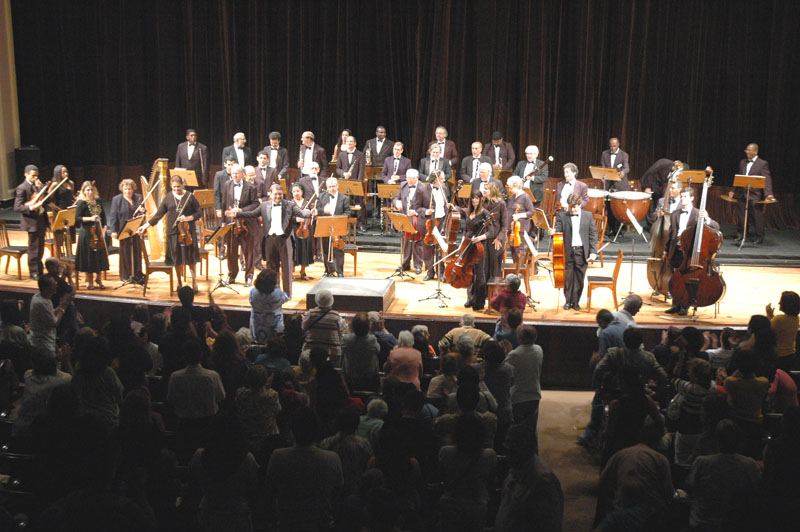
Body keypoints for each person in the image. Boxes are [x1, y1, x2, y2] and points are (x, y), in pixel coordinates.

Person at [265, 407, 343, 532]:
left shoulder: (278, 456)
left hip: (288, 524)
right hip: (321, 524)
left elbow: (270, 490)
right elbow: (337, 494)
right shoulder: (332, 458)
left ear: (292, 430)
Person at [685, 419, 761, 530]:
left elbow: (689, 486)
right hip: (737, 525)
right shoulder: (750, 465)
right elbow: (757, 490)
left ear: (716, 441)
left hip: (703, 523)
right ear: (739, 441)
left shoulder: (702, 462)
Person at [235, 182, 309, 294]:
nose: (278, 196)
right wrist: (236, 214)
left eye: (280, 194)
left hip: (285, 240)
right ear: (270, 194)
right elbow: (252, 214)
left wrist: (310, 212)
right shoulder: (264, 205)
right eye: (275, 194)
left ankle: (287, 294)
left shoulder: (290, 205)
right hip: (270, 240)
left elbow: (303, 213)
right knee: (271, 268)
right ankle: (274, 292)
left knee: (287, 269)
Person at [190, 414, 259, 532]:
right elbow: (253, 489)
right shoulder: (247, 459)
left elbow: (193, 483)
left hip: (207, 516)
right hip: (238, 517)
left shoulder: (198, 456)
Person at [494, 423, 564, 532]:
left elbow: (549, 525)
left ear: (527, 446)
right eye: (506, 442)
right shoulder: (515, 469)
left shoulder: (543, 483)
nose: (506, 447)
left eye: (512, 443)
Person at [137, 175, 202, 291]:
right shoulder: (168, 198)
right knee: (177, 259)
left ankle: (194, 282)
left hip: (188, 233)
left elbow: (199, 213)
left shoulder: (190, 197)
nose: (176, 189)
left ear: (183, 185)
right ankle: (179, 282)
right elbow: (158, 215)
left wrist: (188, 218)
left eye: (178, 187)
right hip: (173, 233)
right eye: (174, 187)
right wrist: (145, 225)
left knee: (190, 258)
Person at [664, 186, 721, 315]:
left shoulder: (698, 213)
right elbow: (671, 234)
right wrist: (666, 250)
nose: (682, 199)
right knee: (676, 278)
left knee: (686, 278)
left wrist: (707, 219)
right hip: (676, 250)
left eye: (685, 197)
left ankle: (685, 305)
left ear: (692, 199)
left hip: (690, 252)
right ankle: (675, 305)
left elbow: (715, 227)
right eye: (682, 196)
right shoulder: (675, 214)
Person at [438, 413, 497, 532]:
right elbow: (491, 482)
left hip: (451, 504)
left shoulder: (445, 452)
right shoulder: (489, 455)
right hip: (477, 506)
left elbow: (441, 477)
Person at [167, 337, 226, 435]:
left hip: (184, 425)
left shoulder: (175, 377)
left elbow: (171, 400)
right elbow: (221, 397)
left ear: (184, 356)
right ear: (201, 355)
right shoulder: (212, 376)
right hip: (208, 424)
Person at [550, 192, 597, 310]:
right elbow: (558, 231)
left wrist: (593, 252)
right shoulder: (562, 215)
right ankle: (567, 300)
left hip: (582, 251)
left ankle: (575, 302)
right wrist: (553, 232)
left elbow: (592, 235)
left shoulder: (588, 216)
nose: (573, 210)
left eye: (575, 207)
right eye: (570, 207)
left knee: (579, 278)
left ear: (580, 204)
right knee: (568, 277)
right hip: (567, 251)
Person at [219, 164, 261, 286]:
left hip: (246, 224)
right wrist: (223, 218)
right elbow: (224, 202)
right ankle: (232, 275)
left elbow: (255, 204)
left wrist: (241, 211)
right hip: (231, 223)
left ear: (243, 174)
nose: (235, 176)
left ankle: (249, 276)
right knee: (231, 251)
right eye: (232, 173)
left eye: (237, 173)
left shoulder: (251, 187)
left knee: (248, 251)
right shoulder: (227, 185)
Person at [504, 325, 543, 450]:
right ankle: (533, 456)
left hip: (519, 397)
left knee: (516, 430)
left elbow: (504, 369)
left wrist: (508, 352)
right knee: (531, 429)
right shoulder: (538, 349)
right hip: (534, 394)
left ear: (519, 338)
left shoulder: (514, 354)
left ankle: (516, 457)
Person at [319, 408, 374, 496]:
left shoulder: (327, 443)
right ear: (356, 424)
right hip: (356, 488)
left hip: (332, 489)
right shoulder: (363, 443)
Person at [460, 190, 498, 311]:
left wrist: (479, 238)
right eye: (473, 198)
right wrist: (463, 240)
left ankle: (480, 301)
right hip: (468, 244)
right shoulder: (469, 212)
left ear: (481, 199)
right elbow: (466, 228)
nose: (474, 200)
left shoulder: (485, 213)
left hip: (479, 246)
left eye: (477, 198)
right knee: (469, 272)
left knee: (479, 274)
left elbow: (492, 232)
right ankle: (470, 298)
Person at [729, 143, 773, 244]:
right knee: (741, 216)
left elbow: (767, 179)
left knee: (757, 216)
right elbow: (739, 177)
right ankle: (741, 234)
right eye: (746, 150)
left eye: (749, 150)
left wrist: (768, 193)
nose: (747, 152)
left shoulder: (762, 163)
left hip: (755, 195)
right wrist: (733, 190)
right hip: (742, 193)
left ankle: (759, 237)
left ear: (755, 151)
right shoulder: (742, 162)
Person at [235, 364, 281, 459]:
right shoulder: (272, 395)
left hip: (247, 433)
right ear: (265, 379)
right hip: (267, 435)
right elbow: (278, 410)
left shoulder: (240, 394)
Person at [13, 165, 49, 280]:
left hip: (41, 220)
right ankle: (33, 272)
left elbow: (46, 200)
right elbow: (17, 207)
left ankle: (39, 269)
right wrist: (32, 208)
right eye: (33, 176)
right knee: (34, 248)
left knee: (41, 248)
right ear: (26, 174)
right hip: (31, 222)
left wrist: (42, 188)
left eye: (37, 176)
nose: (35, 178)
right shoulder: (22, 188)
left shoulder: (37, 186)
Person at [74, 181, 110, 289]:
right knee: (89, 257)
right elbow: (77, 219)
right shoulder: (81, 203)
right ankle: (89, 281)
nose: (90, 192)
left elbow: (103, 216)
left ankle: (98, 279)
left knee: (99, 256)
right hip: (87, 233)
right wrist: (90, 218)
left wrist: (104, 229)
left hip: (98, 231)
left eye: (91, 190)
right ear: (83, 191)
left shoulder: (98, 201)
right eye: (87, 190)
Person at [395, 169, 430, 275]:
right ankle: (405, 263)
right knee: (405, 241)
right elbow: (396, 197)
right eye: (408, 178)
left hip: (418, 218)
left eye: (412, 178)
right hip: (406, 218)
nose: (409, 181)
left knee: (417, 242)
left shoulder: (424, 188)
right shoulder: (403, 185)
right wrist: (397, 202)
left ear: (417, 178)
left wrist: (415, 212)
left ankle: (418, 265)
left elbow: (427, 207)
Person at [108, 179, 143, 283]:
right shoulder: (117, 199)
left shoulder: (138, 198)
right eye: (125, 189)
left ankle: (137, 274)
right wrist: (113, 231)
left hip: (136, 230)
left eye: (130, 189)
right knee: (125, 252)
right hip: (123, 230)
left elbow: (142, 213)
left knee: (136, 251)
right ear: (122, 189)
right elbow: (113, 216)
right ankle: (126, 275)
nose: (128, 191)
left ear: (133, 189)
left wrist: (143, 211)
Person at [316, 177, 351, 277]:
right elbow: (318, 211)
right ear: (327, 187)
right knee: (326, 250)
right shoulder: (321, 197)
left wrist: (338, 219)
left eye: (334, 186)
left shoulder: (344, 198)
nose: (332, 188)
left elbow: (348, 213)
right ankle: (328, 270)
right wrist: (324, 211)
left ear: (338, 186)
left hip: (339, 228)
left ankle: (340, 272)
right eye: (330, 186)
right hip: (326, 227)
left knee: (339, 251)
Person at [30, 274, 72, 356]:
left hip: (44, 341)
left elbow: (49, 313)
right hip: (43, 344)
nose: (56, 285)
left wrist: (60, 306)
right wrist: (63, 308)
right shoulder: (42, 303)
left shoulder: (39, 297)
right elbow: (54, 323)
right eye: (53, 284)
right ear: (46, 288)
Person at [302, 289, 346, 363]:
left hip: (311, 350)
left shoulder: (311, 313)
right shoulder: (336, 315)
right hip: (333, 352)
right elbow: (340, 331)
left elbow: (303, 327)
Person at [341, 312, 381, 392]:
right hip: (369, 377)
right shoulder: (372, 339)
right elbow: (378, 350)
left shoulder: (346, 339)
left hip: (350, 376)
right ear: (368, 327)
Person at [336, 135, 368, 230]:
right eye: (347, 141)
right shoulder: (341, 154)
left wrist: (358, 184)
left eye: (351, 141)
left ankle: (361, 223)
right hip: (344, 182)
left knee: (359, 203)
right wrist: (343, 173)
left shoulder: (360, 155)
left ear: (355, 143)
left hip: (356, 182)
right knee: (343, 203)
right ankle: (344, 222)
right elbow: (338, 168)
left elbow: (361, 170)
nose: (349, 143)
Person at [248, 268, 288, 344]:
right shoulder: (278, 294)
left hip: (257, 328)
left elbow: (251, 301)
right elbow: (286, 298)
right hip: (274, 329)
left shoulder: (253, 292)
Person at [505, 175, 536, 264]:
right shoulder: (513, 197)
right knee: (513, 251)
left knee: (519, 250)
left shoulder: (525, 197)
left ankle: (520, 271)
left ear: (516, 186)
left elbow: (531, 212)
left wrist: (520, 215)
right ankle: (515, 269)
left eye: (510, 187)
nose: (509, 190)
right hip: (511, 228)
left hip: (520, 229)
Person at [766, 291, 799, 370]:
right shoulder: (796, 318)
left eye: (781, 301)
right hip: (789, 354)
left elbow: (766, 332)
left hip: (778, 356)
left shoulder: (779, 319)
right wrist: (771, 317)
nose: (779, 303)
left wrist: (768, 315)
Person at [289, 183, 315, 280]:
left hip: (305, 229)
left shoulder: (308, 203)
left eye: (298, 191)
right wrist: (295, 219)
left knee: (304, 248)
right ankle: (291, 272)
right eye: (294, 191)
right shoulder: (290, 203)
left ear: (302, 192)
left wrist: (312, 213)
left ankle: (303, 271)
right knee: (293, 249)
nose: (296, 193)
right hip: (293, 229)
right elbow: (287, 217)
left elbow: (312, 217)